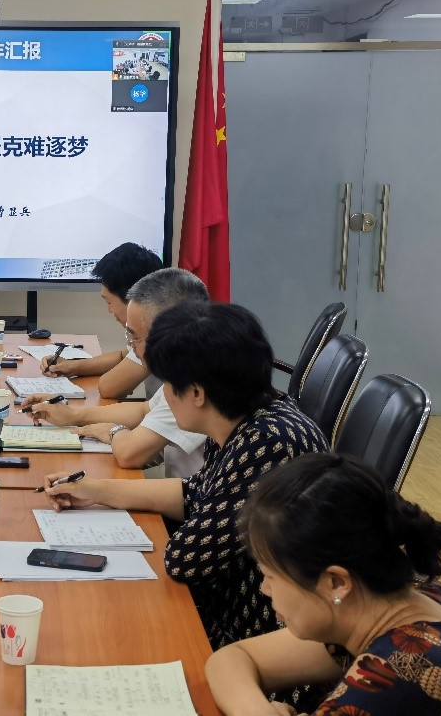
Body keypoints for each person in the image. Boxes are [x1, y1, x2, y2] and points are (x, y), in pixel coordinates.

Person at [43, 301, 329, 649]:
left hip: (254, 632)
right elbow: (196, 493)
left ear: (196, 393)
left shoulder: (269, 444)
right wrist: (95, 490)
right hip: (229, 607)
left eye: (167, 384)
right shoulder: (249, 418)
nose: (163, 395)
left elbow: (185, 558)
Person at [206, 454, 441, 716]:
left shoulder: (387, 680)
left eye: (271, 577)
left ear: (335, 582)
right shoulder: (403, 601)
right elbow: (231, 659)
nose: (264, 589)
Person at [25, 268, 209, 477]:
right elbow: (144, 410)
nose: (132, 347)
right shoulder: (182, 370)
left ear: (167, 336)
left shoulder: (192, 382)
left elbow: (130, 454)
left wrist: (113, 431)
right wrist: (72, 415)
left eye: (135, 338)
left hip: (192, 495)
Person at [40, 243, 162, 399]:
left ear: (133, 299)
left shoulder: (157, 338)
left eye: (109, 302)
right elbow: (122, 356)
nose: (109, 310)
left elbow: (108, 388)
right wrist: (70, 366)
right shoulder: (159, 320)